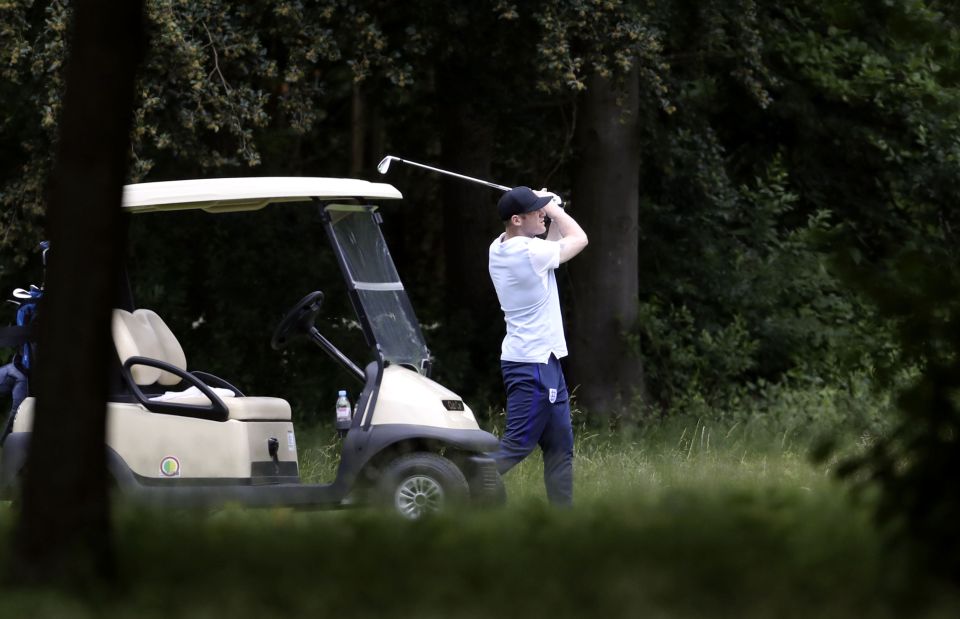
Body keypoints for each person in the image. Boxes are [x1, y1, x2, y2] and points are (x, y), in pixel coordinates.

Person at [487, 185, 588, 506]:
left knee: (560, 448)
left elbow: (551, 250)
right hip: (531, 365)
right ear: (516, 220)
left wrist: (547, 209)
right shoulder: (527, 253)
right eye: (536, 211)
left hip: (545, 361)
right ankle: (454, 487)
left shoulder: (500, 246)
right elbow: (580, 239)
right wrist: (557, 209)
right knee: (516, 445)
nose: (542, 214)